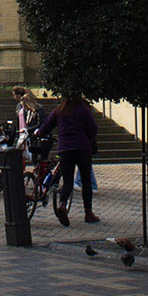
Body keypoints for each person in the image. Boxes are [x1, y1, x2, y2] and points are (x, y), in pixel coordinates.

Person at [37, 94, 100, 225]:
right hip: (82, 148)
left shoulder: (59, 110)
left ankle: (62, 204)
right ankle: (88, 213)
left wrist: (39, 133)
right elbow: (93, 128)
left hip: (65, 149)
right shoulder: (84, 109)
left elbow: (46, 126)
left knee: (67, 182)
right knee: (86, 181)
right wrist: (87, 138)